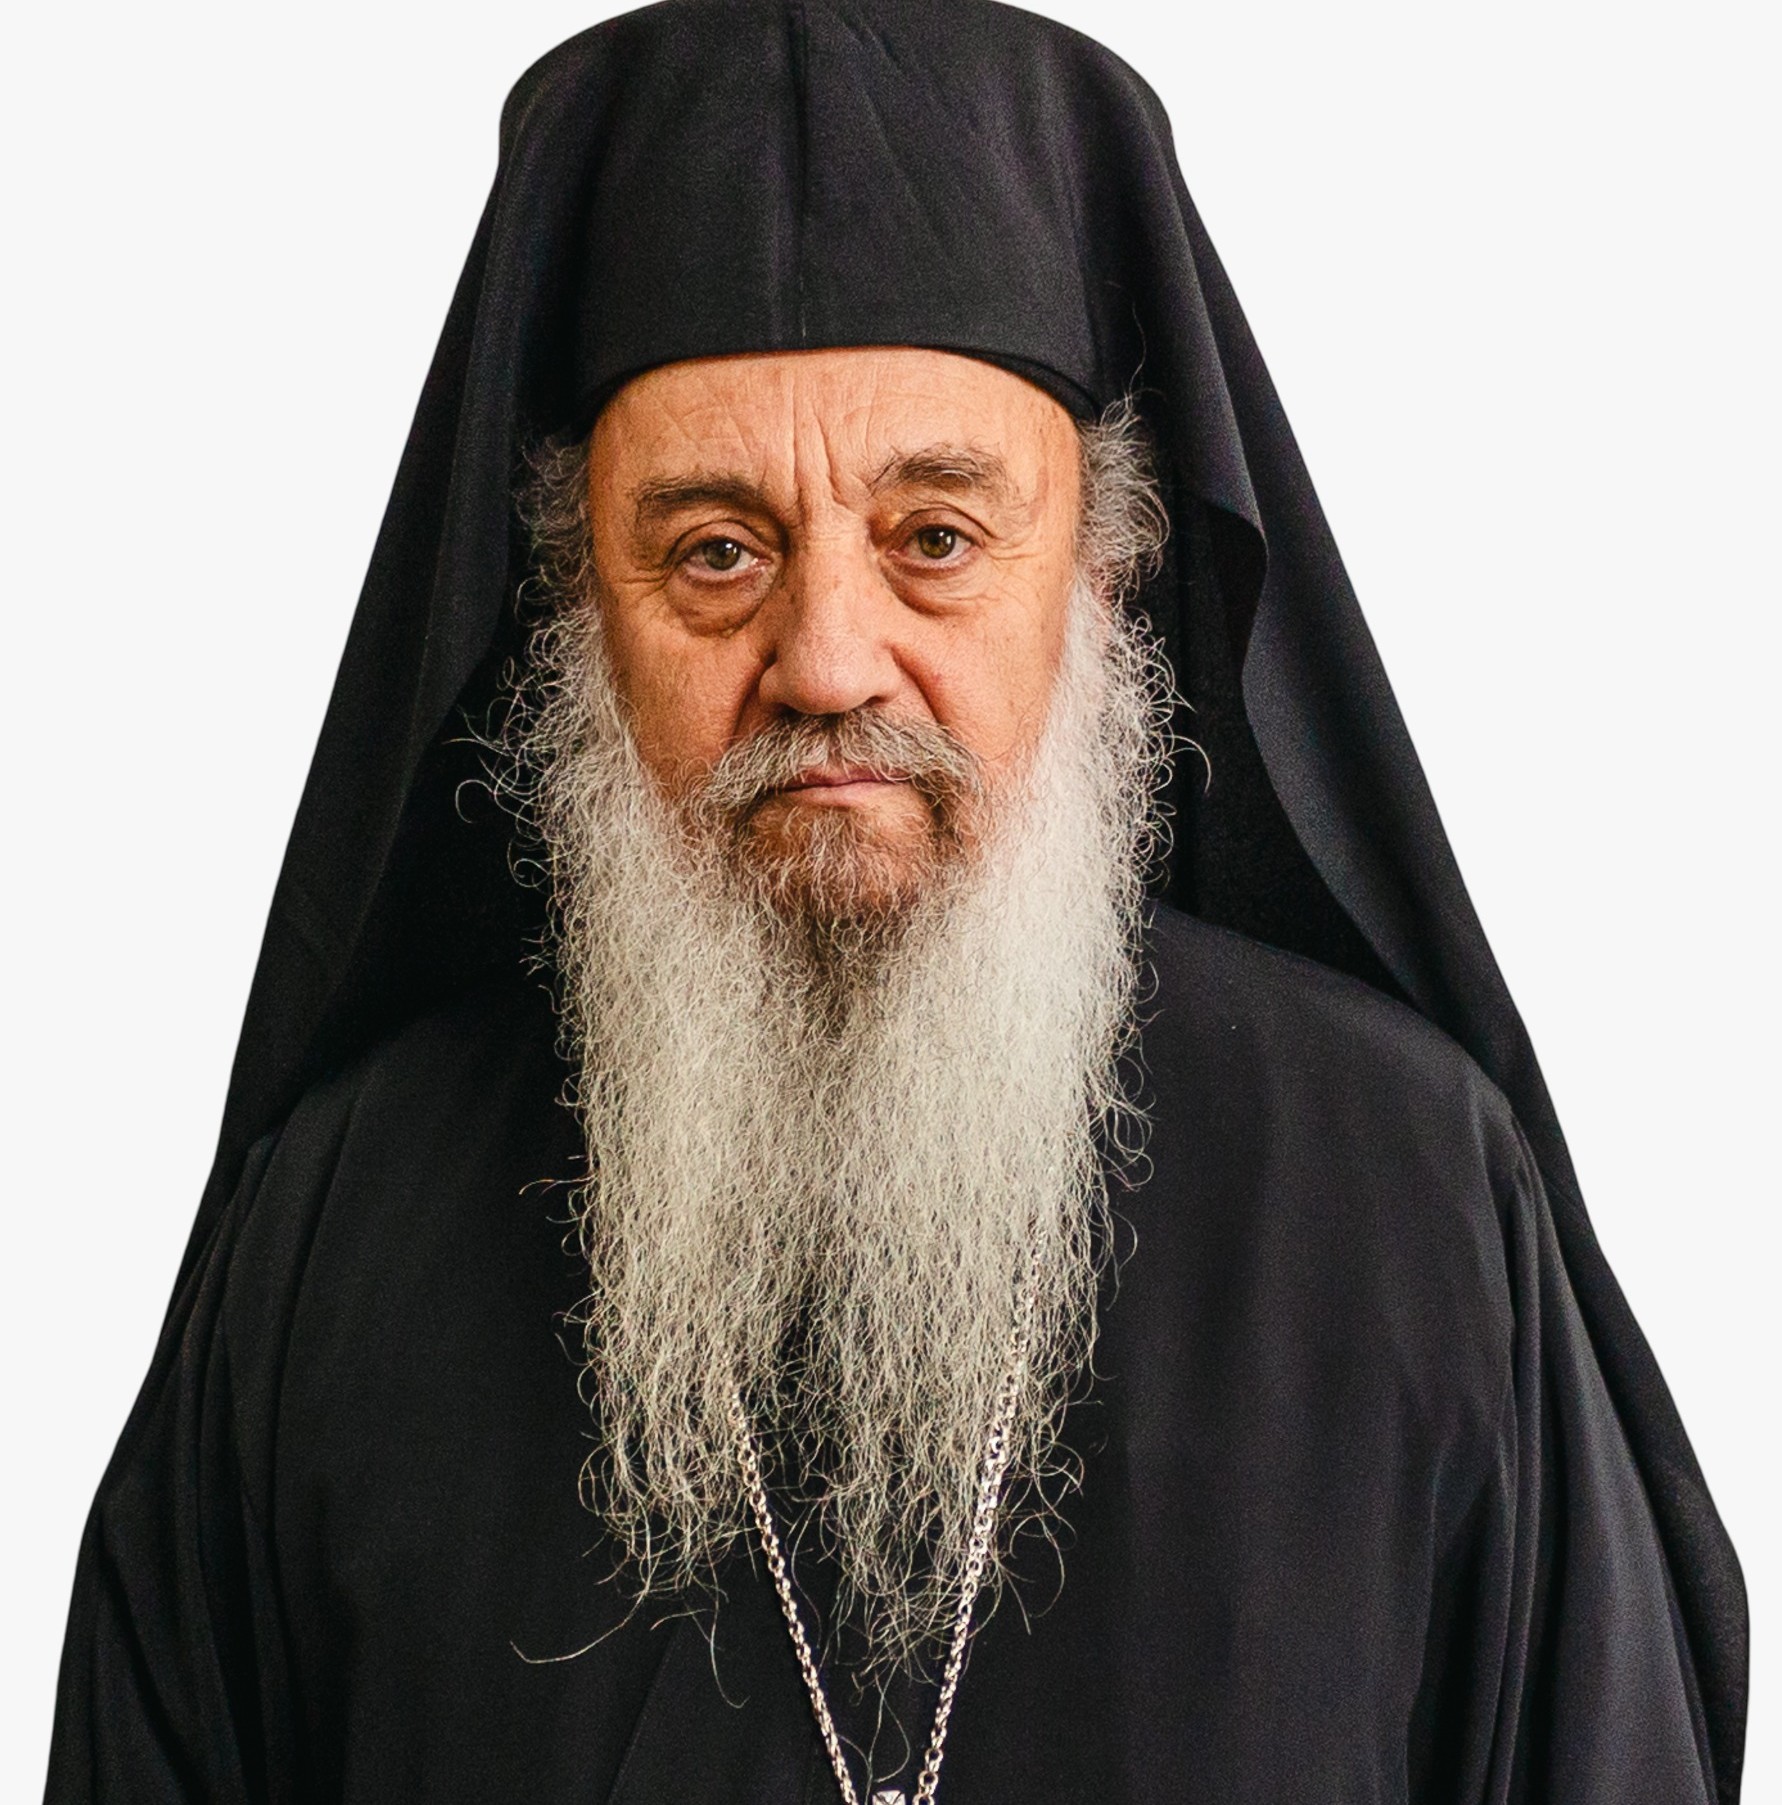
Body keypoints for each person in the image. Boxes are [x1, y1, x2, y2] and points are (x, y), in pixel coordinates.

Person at [44, 1, 1747, 1800]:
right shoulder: (333, 1247)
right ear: (577, 608)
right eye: (715, 552)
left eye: (934, 537)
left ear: (1100, 573)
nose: (827, 660)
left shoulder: (1409, 1203)